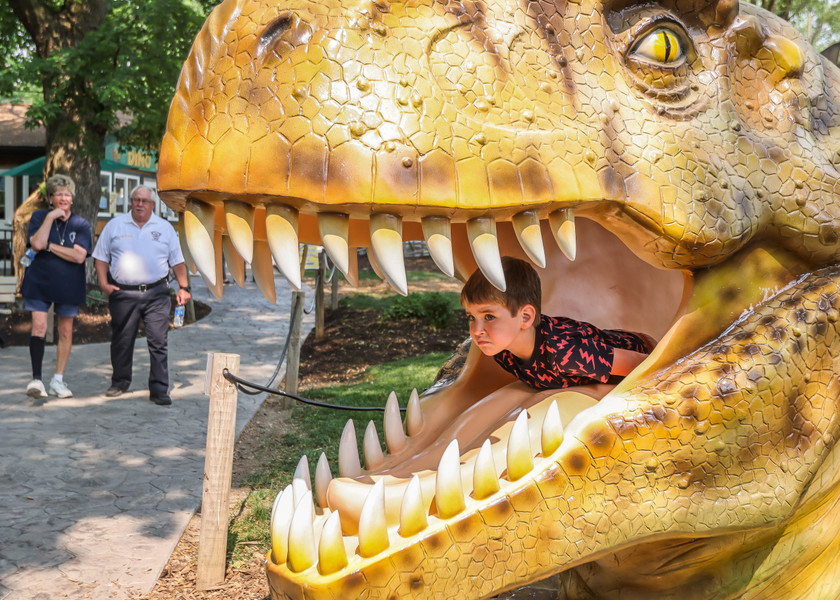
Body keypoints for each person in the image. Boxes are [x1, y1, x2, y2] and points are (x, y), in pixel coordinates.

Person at [460, 257, 656, 390]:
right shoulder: (503, 353)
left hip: (645, 351)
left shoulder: (564, 353)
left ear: (526, 317)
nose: (476, 331)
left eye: (489, 317)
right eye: (471, 317)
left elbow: (646, 366)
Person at [92, 185, 191, 406]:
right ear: (131, 202)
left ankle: (158, 389)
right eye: (136, 200)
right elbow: (100, 257)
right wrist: (103, 283)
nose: (139, 204)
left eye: (144, 201)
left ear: (152, 205)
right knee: (121, 340)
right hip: (123, 293)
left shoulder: (165, 228)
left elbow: (177, 261)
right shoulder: (115, 226)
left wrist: (184, 287)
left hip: (156, 293)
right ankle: (119, 382)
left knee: (158, 341)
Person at [20, 174, 92, 399]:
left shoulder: (80, 224)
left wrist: (50, 247)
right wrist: (50, 218)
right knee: (39, 327)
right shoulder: (39, 216)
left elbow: (79, 256)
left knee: (65, 331)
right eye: (58, 194)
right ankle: (37, 380)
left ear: (72, 197)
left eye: (67, 194)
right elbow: (37, 243)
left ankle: (57, 380)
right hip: (39, 282)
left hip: (68, 285)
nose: (63, 198)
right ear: (50, 198)